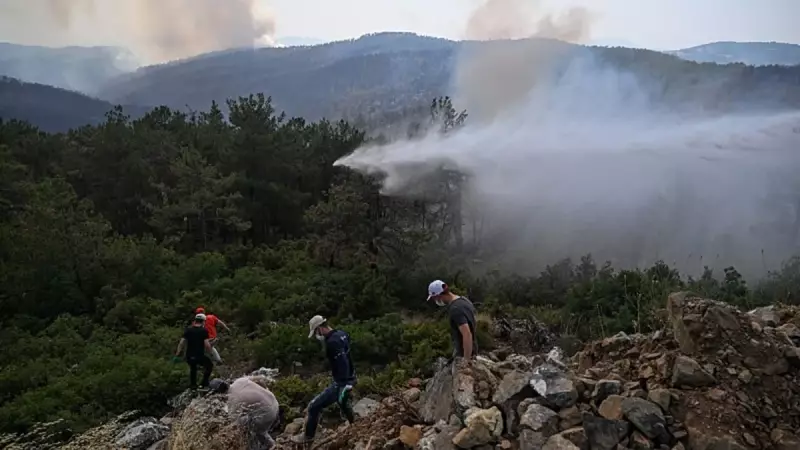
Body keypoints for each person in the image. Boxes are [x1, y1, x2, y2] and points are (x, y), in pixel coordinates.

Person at [291, 315, 356, 445]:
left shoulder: (332, 342)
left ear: (320, 328)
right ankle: (356, 424)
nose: (316, 336)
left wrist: (345, 384)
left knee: (313, 406)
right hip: (350, 377)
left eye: (315, 332)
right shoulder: (342, 334)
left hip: (341, 382)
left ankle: (308, 437)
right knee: (342, 402)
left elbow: (342, 362)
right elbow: (348, 357)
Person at [210, 377, 280, 450]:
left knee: (244, 425)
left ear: (219, 393)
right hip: (274, 402)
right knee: (249, 417)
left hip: (269, 413)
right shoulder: (239, 381)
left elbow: (234, 425)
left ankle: (270, 444)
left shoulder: (233, 401)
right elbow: (259, 380)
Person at [426, 279, 479, 360]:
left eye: (434, 298)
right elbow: (473, 322)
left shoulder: (455, 309)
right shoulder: (464, 300)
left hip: (464, 355)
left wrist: (466, 361)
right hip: (473, 350)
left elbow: (467, 334)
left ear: (438, 296)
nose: (435, 301)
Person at [174, 313, 214, 390]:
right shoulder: (203, 331)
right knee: (209, 366)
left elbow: (181, 343)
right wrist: (211, 353)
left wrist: (177, 354)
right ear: (203, 322)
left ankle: (193, 386)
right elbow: (206, 344)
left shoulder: (188, 330)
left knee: (193, 368)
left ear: (195, 321)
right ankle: (204, 383)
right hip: (199, 355)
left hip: (189, 356)